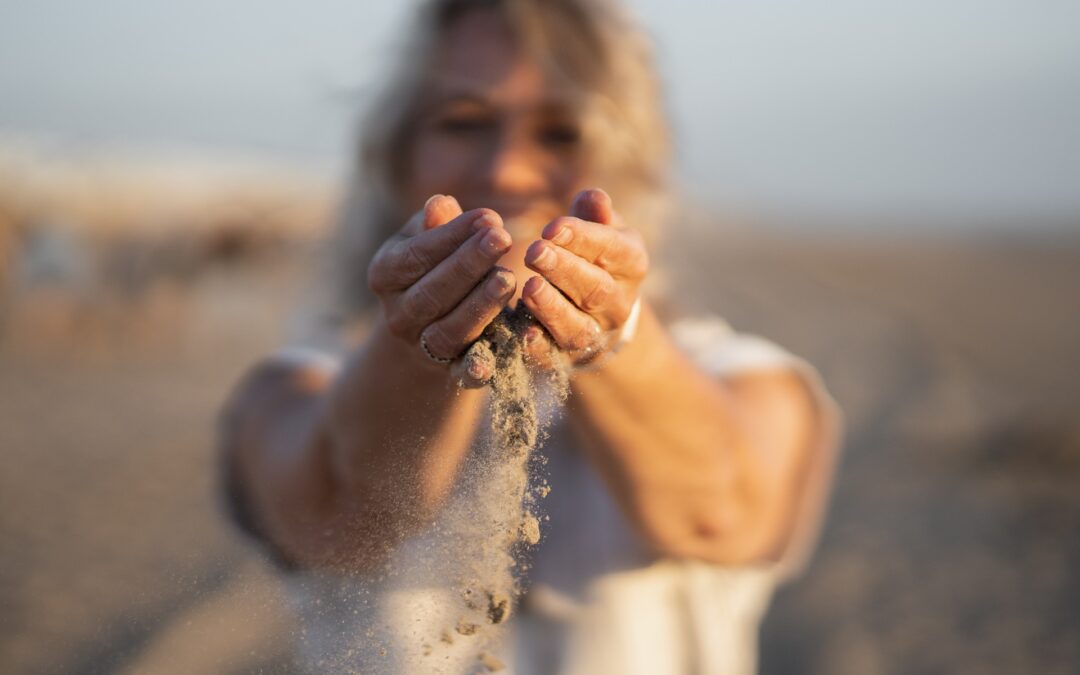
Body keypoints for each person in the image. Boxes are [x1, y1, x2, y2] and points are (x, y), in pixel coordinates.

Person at [219, 0, 841, 672]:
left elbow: (716, 508)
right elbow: (340, 510)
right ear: (398, 160)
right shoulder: (300, 381)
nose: (509, 171)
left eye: (560, 131)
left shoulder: (744, 375)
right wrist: (421, 344)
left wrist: (609, 337)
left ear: (631, 163)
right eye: (462, 123)